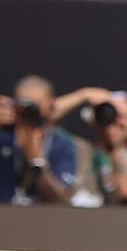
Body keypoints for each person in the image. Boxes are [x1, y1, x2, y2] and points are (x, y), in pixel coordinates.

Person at [0, 76, 77, 205]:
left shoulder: (62, 145)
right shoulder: (4, 139)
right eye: (23, 105)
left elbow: (59, 199)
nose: (29, 112)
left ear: (50, 104)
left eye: (35, 105)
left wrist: (37, 161)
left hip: (42, 219)